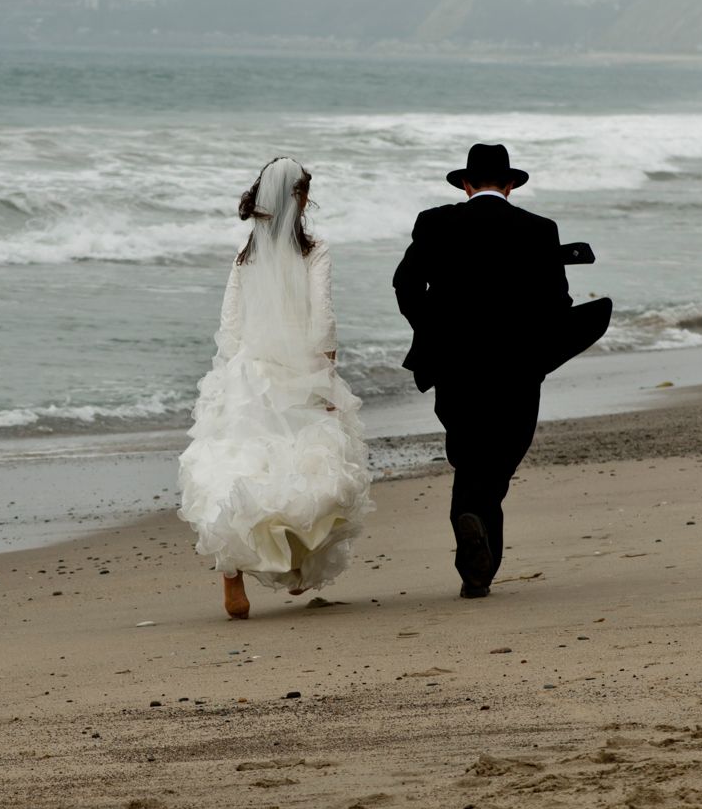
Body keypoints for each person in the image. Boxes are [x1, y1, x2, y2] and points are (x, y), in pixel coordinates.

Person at [392, 143, 609, 598]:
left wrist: (431, 327)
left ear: (466, 184)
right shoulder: (539, 230)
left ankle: (475, 556)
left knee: (468, 453)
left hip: (454, 365)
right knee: (503, 454)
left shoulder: (435, 223)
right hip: (517, 366)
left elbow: (406, 284)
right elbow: (558, 304)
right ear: (510, 186)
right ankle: (477, 556)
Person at [176, 157, 374, 619]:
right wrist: (325, 370)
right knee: (306, 466)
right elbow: (321, 314)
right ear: (300, 198)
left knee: (239, 465)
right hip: (299, 369)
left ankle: (233, 575)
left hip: (249, 372)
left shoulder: (245, 255)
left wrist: (230, 372)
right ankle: (297, 564)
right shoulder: (315, 250)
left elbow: (230, 321)